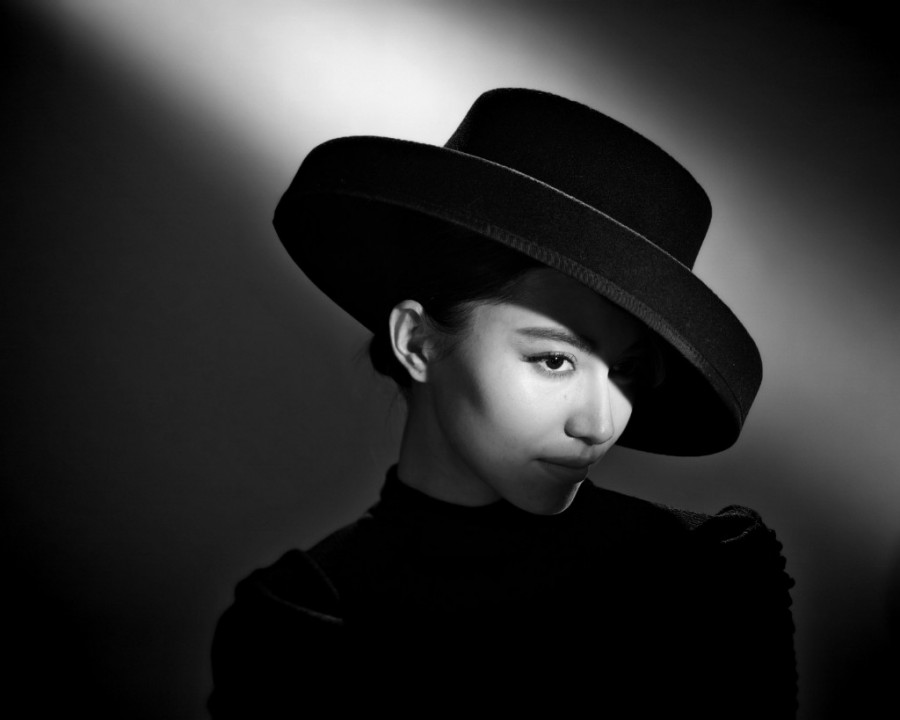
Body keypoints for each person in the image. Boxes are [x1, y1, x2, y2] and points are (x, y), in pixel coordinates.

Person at [208, 88, 797, 718]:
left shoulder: (703, 576)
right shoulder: (301, 620)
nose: (599, 425)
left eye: (625, 371)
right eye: (555, 360)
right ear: (417, 342)